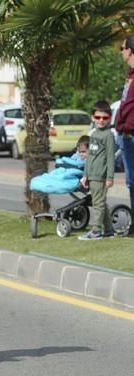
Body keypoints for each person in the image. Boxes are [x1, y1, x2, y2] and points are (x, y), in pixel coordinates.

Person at [79, 101, 116, 240]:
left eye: (105, 118)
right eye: (98, 117)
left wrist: (110, 177)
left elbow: (111, 158)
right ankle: (108, 230)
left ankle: (96, 231)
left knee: (98, 203)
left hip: (101, 176)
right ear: (92, 118)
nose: (101, 120)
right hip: (92, 175)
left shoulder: (108, 135)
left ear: (110, 118)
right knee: (100, 202)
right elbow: (89, 157)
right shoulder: (93, 134)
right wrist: (85, 175)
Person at [115, 36, 134, 231]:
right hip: (125, 133)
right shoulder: (130, 75)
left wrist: (127, 128)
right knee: (131, 181)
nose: (121, 51)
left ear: (130, 50)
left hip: (130, 133)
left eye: (122, 48)